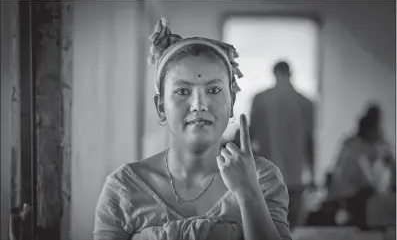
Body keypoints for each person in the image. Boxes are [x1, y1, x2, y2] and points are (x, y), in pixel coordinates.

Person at [93, 17, 292, 240]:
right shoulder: (123, 188)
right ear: (161, 107)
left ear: (232, 103)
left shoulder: (261, 178)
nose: (199, 104)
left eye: (214, 90)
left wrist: (248, 193)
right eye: (183, 92)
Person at [249, 61, 315, 230]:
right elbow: (310, 141)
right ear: (290, 73)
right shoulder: (305, 102)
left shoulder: (260, 99)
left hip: (266, 174)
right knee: (291, 227)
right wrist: (313, 174)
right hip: (295, 176)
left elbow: (249, 136)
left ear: (274, 73)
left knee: (268, 225)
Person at [326, 104, 395, 229]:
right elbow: (369, 183)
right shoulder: (357, 151)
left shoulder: (353, 143)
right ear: (371, 129)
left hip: (344, 198)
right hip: (347, 202)